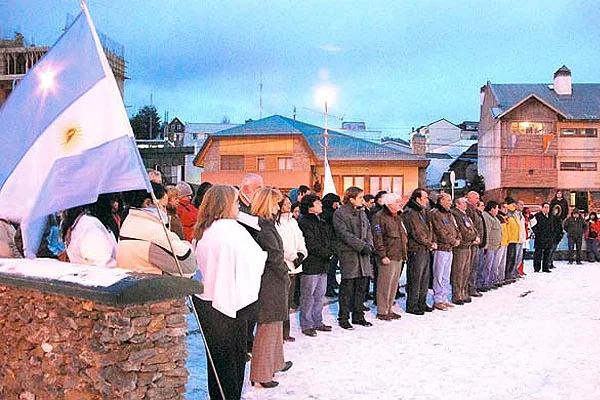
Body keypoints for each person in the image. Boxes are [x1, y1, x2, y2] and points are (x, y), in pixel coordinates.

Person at [192, 185, 267, 400]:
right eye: (235, 202)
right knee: (232, 363)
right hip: (233, 305)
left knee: (216, 363)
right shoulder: (232, 229)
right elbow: (254, 261)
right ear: (226, 204)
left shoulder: (204, 229)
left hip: (208, 303)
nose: (238, 207)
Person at [249, 187, 293, 389]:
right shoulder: (263, 226)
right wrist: (286, 270)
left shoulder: (266, 224)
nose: (279, 207)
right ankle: (261, 373)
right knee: (267, 326)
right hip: (269, 281)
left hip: (274, 280)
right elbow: (273, 255)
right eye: (276, 203)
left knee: (275, 324)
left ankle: (276, 362)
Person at [117, 182, 197, 276]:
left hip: (134, 282)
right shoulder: (152, 231)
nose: (165, 211)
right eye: (163, 206)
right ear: (148, 203)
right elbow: (188, 265)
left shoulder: (129, 223)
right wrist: (186, 244)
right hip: (154, 285)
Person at [333, 186, 374, 329]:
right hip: (349, 255)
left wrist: (369, 245)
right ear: (351, 199)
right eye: (360, 198)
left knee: (361, 287)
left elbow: (368, 230)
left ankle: (358, 315)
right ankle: (343, 317)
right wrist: (361, 246)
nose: (363, 200)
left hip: (363, 256)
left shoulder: (362, 213)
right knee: (347, 288)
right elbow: (343, 234)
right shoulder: (340, 213)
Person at [297, 194, 336, 336]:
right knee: (308, 296)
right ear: (310, 207)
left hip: (323, 263)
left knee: (320, 295)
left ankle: (317, 321)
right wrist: (327, 253)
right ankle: (306, 324)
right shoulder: (304, 222)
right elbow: (311, 243)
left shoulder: (322, 221)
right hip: (311, 263)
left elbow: (331, 238)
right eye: (317, 203)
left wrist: (332, 251)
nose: (321, 205)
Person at [275, 194, 308, 342]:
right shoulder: (276, 224)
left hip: (296, 264)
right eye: (286, 203)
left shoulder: (293, 222)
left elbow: (300, 238)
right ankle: (279, 332)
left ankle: (285, 331)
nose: (289, 205)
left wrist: (302, 253)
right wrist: (292, 256)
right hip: (284, 264)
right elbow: (280, 244)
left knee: (288, 301)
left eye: (289, 203)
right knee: (281, 301)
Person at [371, 193, 408, 320]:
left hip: (397, 255)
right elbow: (377, 238)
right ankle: (382, 311)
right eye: (397, 202)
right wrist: (382, 255)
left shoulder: (397, 217)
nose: (400, 204)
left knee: (393, 285)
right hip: (387, 256)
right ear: (389, 204)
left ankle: (389, 308)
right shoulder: (379, 217)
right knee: (384, 285)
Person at [403, 188, 437, 316]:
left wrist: (430, 242)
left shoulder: (422, 211)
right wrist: (429, 242)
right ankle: (412, 304)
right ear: (417, 199)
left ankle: (421, 302)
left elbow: (429, 228)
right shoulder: (410, 212)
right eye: (424, 198)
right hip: (416, 249)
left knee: (424, 278)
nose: (427, 201)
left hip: (425, 248)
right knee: (415, 278)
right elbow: (416, 232)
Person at [61, 194, 119, 266]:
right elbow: (103, 266)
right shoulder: (90, 227)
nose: (115, 204)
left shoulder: (85, 222)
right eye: (112, 199)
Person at [429, 193, 460, 310]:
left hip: (449, 248)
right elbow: (440, 231)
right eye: (448, 200)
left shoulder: (449, 214)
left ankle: (444, 297)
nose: (450, 202)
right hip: (441, 248)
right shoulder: (436, 214)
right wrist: (453, 240)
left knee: (446, 275)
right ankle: (437, 299)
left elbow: (456, 228)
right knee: (439, 275)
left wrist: (458, 238)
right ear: (441, 201)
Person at [450, 197, 478, 305]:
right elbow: (462, 230)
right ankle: (457, 295)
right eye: (463, 203)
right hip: (461, 246)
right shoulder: (456, 214)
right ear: (457, 204)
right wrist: (472, 237)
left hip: (468, 245)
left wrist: (474, 235)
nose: (465, 205)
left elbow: (472, 227)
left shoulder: (465, 214)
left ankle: (464, 292)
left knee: (466, 271)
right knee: (458, 271)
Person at [466, 191, 485, 300]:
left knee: (474, 267)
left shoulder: (474, 210)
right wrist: (474, 238)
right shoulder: (468, 210)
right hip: (472, 243)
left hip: (477, 243)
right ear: (470, 198)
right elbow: (470, 226)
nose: (478, 200)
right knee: (470, 267)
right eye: (476, 198)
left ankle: (472, 287)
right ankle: (469, 288)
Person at [479, 201, 502, 291]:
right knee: (487, 265)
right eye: (496, 208)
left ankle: (490, 281)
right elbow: (487, 231)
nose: (498, 210)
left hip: (495, 245)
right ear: (492, 209)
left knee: (492, 265)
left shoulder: (494, 217)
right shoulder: (487, 217)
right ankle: (484, 282)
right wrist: (486, 244)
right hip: (490, 246)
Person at [322, 193, 341, 297]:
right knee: (330, 267)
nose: (337, 204)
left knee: (332, 267)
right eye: (335, 202)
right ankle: (328, 288)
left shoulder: (331, 213)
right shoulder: (328, 214)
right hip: (331, 243)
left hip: (333, 242)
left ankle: (332, 284)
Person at [531, 203, 553, 273]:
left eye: (548, 208)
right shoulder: (537, 216)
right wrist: (537, 233)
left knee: (547, 253)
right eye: (545, 207)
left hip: (548, 238)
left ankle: (545, 267)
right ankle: (537, 268)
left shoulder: (551, 216)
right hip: (540, 238)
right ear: (542, 208)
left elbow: (553, 227)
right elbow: (533, 225)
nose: (547, 209)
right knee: (538, 253)